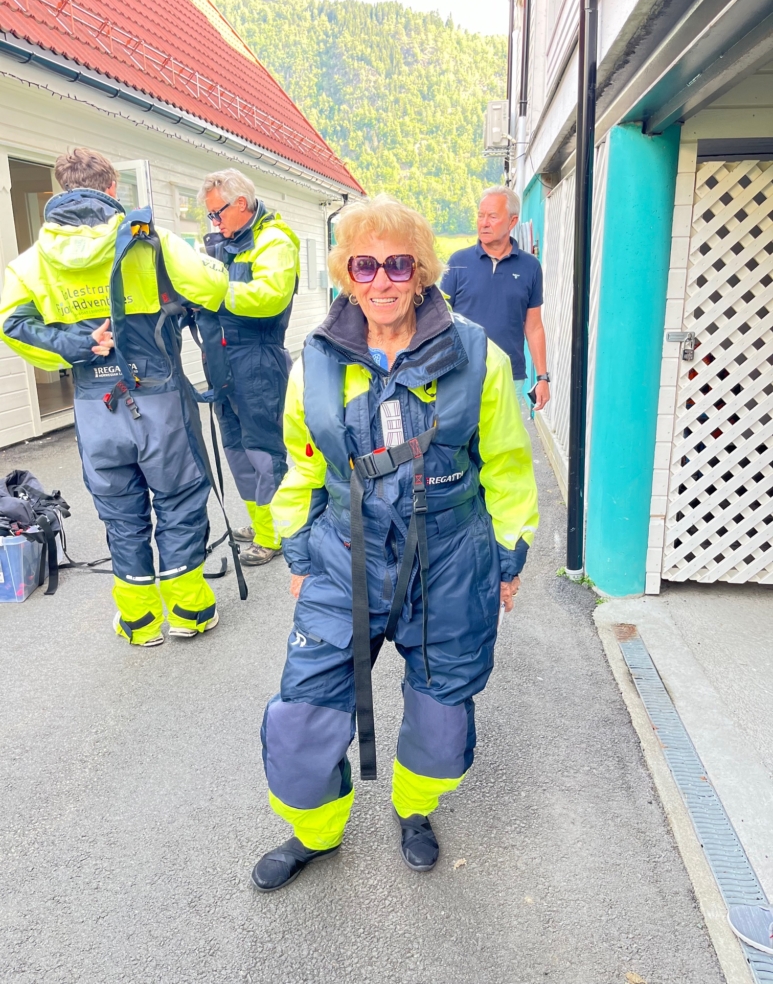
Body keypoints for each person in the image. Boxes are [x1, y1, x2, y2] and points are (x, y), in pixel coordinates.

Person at [252, 194, 539, 891]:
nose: (381, 280)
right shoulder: (313, 363)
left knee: (441, 723)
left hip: (450, 557)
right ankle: (316, 834)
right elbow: (302, 466)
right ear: (347, 275)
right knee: (301, 720)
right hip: (343, 557)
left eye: (397, 263)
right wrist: (296, 551)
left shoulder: (475, 354)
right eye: (365, 264)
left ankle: (414, 811)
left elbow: (503, 464)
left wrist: (506, 556)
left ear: (422, 271)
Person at [0, 148, 229, 646]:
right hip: (159, 396)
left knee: (121, 512)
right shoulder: (150, 240)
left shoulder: (33, 259)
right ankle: (190, 613)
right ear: (111, 190)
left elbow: (12, 325)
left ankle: (140, 622)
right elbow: (213, 287)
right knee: (179, 499)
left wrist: (78, 344)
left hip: (93, 403)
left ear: (60, 191)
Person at [198, 170, 300, 566]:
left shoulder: (273, 241)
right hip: (224, 359)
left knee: (263, 449)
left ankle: (275, 534)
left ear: (241, 203)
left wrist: (213, 293)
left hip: (258, 356)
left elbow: (270, 297)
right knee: (236, 449)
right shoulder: (224, 243)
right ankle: (261, 526)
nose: (215, 223)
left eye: (218, 214)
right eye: (210, 216)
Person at [441, 186, 551, 410]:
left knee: (506, 444)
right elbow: (440, 318)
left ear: (512, 222)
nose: (484, 223)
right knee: (460, 442)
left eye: (492, 216)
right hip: (462, 374)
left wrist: (542, 378)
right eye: (481, 215)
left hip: (510, 376)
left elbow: (534, 326)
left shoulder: (530, 267)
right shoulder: (457, 262)